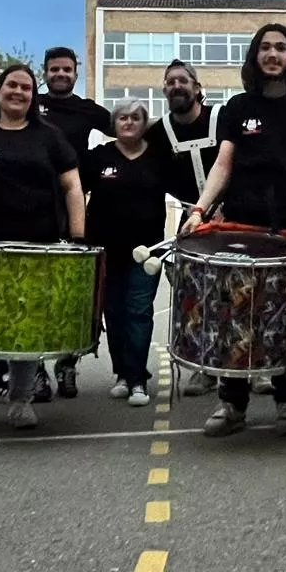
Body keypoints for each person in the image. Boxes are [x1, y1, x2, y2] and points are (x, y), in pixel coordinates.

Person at [182, 24, 286, 437]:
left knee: (282, 316)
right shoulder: (238, 106)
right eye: (265, 48)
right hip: (239, 224)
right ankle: (232, 404)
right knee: (236, 316)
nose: (273, 54)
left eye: (281, 48)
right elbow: (223, 164)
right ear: (255, 56)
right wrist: (201, 208)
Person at [0, 65, 87, 435]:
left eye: (26, 87)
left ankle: (20, 402)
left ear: (32, 95)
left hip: (39, 248)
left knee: (27, 327)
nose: (19, 92)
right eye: (12, 85)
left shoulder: (50, 138)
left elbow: (73, 187)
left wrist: (77, 236)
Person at [35, 45, 112, 399]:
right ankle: (33, 370)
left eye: (67, 69)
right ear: (45, 72)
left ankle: (66, 366)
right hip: (30, 208)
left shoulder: (87, 111)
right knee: (34, 295)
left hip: (72, 210)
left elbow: (129, 125)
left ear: (75, 73)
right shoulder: (29, 103)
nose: (61, 74)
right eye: (54, 69)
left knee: (68, 294)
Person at [143, 59, 222, 397]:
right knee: (195, 297)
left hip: (231, 218)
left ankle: (250, 366)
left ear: (197, 88)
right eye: (170, 82)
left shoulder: (221, 119)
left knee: (241, 295)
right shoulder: (158, 133)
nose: (177, 86)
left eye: (183, 81)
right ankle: (204, 367)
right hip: (191, 221)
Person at [83, 100, 166, 407]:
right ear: (114, 123)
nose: (129, 122)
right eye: (122, 118)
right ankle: (122, 373)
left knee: (139, 312)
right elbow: (72, 188)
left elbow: (187, 188)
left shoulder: (159, 158)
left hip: (146, 253)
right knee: (114, 313)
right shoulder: (98, 157)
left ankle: (138, 379)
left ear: (144, 123)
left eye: (135, 117)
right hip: (106, 250)